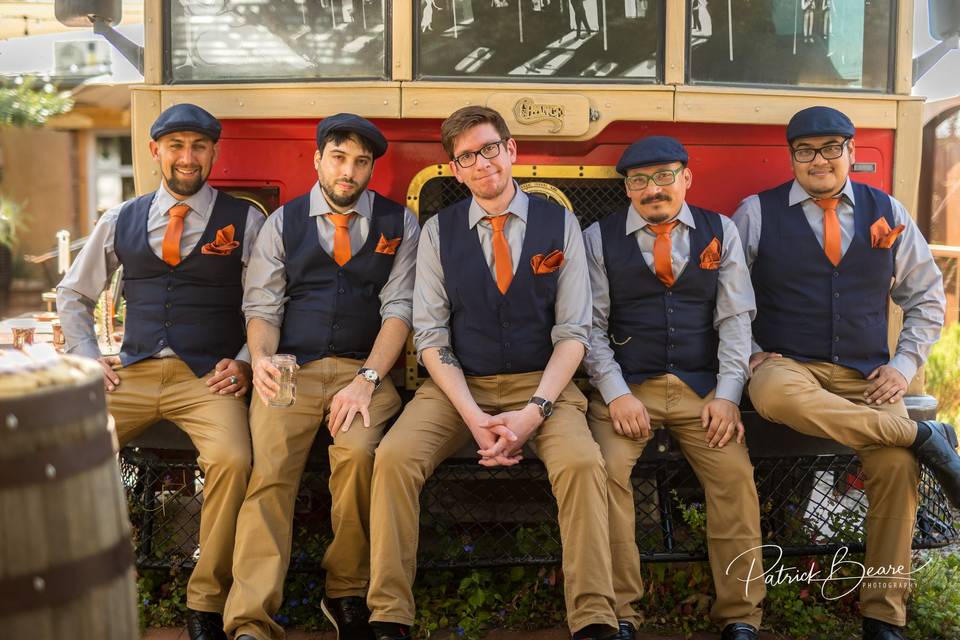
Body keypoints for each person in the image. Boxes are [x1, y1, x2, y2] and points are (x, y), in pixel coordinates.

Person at [366, 106, 622, 640]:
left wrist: (535, 413)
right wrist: (473, 416)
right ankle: (389, 616)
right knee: (392, 459)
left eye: (489, 149)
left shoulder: (561, 223)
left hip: (544, 385)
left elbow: (574, 331)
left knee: (581, 464)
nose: (482, 164)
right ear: (455, 170)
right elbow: (431, 335)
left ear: (511, 151)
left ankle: (595, 618)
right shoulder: (437, 233)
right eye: (467, 157)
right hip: (457, 387)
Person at [733, 105, 960, 640]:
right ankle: (923, 435)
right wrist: (751, 353)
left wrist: (903, 366)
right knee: (776, 397)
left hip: (867, 375)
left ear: (851, 154)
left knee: (896, 469)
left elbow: (926, 298)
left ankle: (884, 616)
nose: (819, 160)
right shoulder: (756, 213)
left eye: (831, 148)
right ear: (792, 157)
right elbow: (728, 299)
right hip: (787, 367)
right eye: (806, 151)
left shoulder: (890, 212)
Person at [57, 103, 265, 640]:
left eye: (198, 146)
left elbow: (269, 304)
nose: (187, 157)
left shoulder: (246, 219)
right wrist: (85, 356)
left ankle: (204, 602)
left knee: (233, 460)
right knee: (56, 446)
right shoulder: (120, 217)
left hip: (207, 380)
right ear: (155, 152)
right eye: (175, 146)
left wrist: (244, 362)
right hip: (132, 375)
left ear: (213, 153)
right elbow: (73, 294)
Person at [222, 113, 419, 640]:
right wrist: (262, 360)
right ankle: (249, 618)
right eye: (339, 158)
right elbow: (262, 305)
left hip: (364, 373)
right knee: (270, 475)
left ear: (372, 167)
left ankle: (346, 591)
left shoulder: (401, 224)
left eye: (361, 162)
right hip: (291, 369)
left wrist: (369, 378)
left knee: (358, 459)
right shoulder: (281, 223)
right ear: (317, 160)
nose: (348, 171)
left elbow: (399, 308)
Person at [582, 136, 765, 640]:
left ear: (687, 177)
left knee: (734, 480)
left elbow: (735, 320)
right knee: (607, 475)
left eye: (664, 176)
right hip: (629, 387)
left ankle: (741, 615)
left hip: (702, 390)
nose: (652, 189)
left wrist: (728, 396)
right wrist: (616, 393)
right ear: (626, 189)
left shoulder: (720, 230)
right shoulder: (598, 238)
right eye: (639, 180)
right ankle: (621, 612)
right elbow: (590, 328)